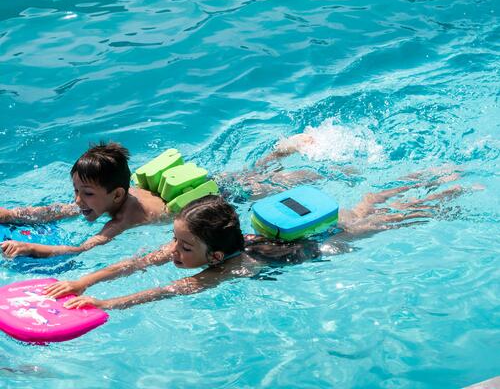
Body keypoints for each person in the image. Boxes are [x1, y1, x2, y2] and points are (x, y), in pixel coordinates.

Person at [43, 175, 472, 310]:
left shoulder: (230, 268)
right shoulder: (200, 244)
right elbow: (135, 264)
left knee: (377, 224)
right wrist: (87, 281)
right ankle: (395, 191)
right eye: (176, 244)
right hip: (271, 237)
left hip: (314, 247)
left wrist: (107, 305)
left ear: (213, 256)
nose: (171, 253)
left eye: (182, 249)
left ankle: (436, 197)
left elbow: (166, 290)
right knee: (364, 211)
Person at [0, 142, 170, 258]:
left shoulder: (122, 220)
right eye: (76, 190)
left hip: (167, 212)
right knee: (72, 209)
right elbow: (58, 210)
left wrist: (30, 248)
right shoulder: (110, 196)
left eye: (87, 193)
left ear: (117, 195)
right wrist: (9, 214)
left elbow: (82, 249)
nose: (78, 199)